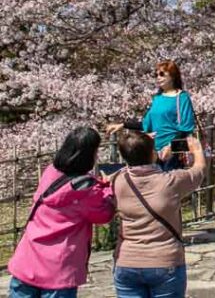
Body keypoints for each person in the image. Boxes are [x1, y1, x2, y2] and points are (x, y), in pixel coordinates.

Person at [7, 127, 115, 298]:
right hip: (59, 268)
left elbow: (70, 187)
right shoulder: (87, 190)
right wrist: (108, 190)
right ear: (90, 155)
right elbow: (104, 214)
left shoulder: (50, 172)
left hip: (28, 260)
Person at [110, 130, 205, 298]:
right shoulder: (171, 181)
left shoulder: (117, 180)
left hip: (127, 260)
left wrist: (137, 146)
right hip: (164, 260)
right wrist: (196, 150)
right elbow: (198, 171)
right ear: (153, 154)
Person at [106, 60, 196, 171]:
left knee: (170, 184)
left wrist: (171, 147)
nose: (158, 77)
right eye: (156, 75)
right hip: (154, 150)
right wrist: (123, 125)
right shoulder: (157, 98)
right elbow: (146, 124)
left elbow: (186, 127)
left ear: (173, 76)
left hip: (173, 152)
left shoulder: (182, 97)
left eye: (162, 74)